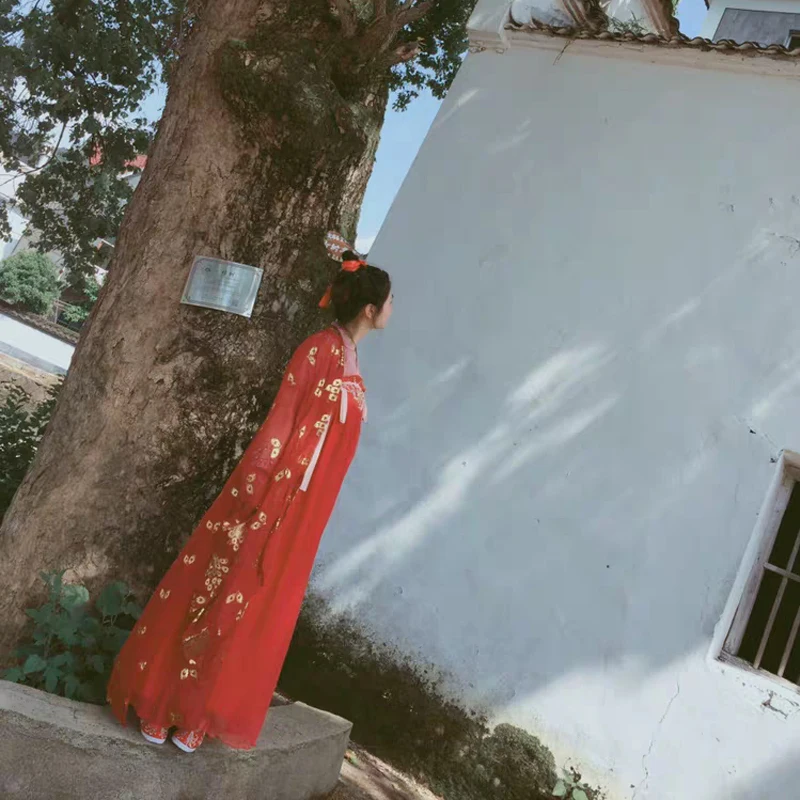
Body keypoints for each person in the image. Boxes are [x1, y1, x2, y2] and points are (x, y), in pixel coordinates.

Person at [107, 253, 392, 752]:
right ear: (370, 309)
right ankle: (159, 701)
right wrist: (257, 494)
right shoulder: (317, 351)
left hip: (304, 514)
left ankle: (199, 712)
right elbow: (282, 422)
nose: (393, 309)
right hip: (272, 499)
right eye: (390, 302)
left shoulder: (350, 361)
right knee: (222, 588)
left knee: (258, 608)